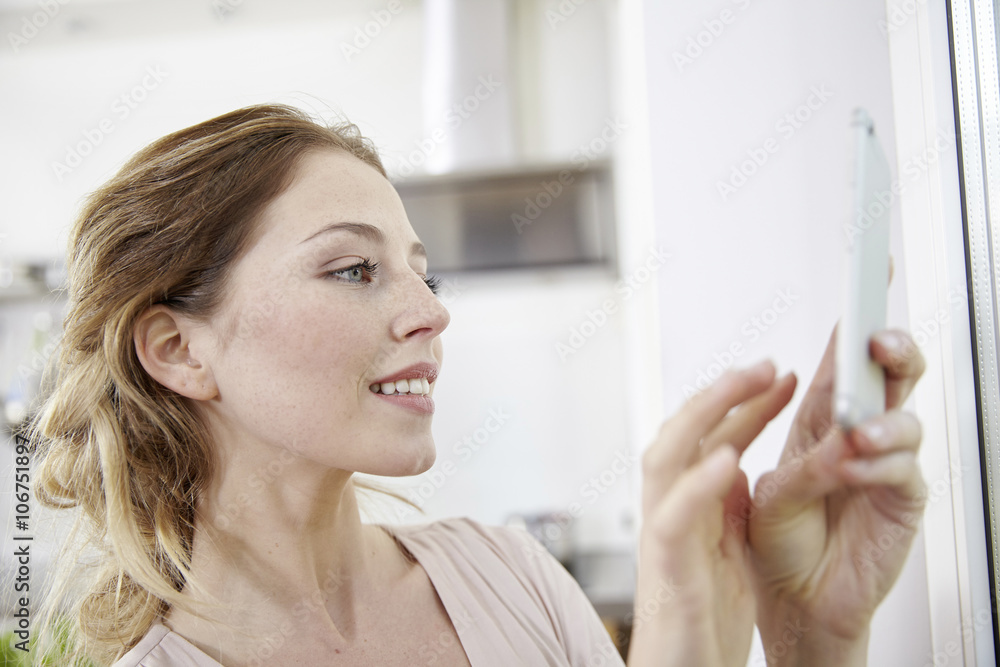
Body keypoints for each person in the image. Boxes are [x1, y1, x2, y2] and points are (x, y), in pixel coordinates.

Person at [26, 104, 926, 667]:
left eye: (425, 275)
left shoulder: (513, 579)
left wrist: (811, 639)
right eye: (352, 270)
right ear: (180, 349)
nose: (430, 312)